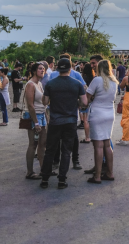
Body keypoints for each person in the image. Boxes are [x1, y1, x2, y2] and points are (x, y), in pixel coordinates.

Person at [40, 58, 87, 189]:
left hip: (55, 121)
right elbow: (84, 102)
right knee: (66, 151)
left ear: (58, 69)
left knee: (50, 150)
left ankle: (44, 179)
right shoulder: (77, 83)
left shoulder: (51, 83)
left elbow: (45, 102)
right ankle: (62, 180)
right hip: (70, 121)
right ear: (70, 69)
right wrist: (74, 102)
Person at [48, 53, 86, 170]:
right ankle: (75, 160)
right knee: (73, 137)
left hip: (55, 111)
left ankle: (56, 161)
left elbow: (47, 92)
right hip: (71, 112)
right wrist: (77, 102)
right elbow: (84, 90)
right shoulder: (76, 75)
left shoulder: (53, 75)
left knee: (56, 139)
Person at [86, 59, 117, 184]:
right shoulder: (114, 82)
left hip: (97, 114)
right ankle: (109, 173)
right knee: (107, 145)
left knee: (98, 146)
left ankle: (97, 175)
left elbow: (87, 98)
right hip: (110, 113)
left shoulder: (97, 80)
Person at [24, 62, 47, 180]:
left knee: (42, 144)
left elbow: (43, 102)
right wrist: (36, 122)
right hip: (34, 116)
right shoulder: (31, 85)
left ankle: (43, 169)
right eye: (40, 69)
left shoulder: (40, 84)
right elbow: (30, 105)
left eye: (43, 69)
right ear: (34, 71)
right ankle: (30, 172)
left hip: (42, 115)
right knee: (33, 144)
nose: (42, 71)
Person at [79, 62, 94, 143]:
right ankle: (92, 135)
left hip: (85, 99)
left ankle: (87, 137)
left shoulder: (84, 78)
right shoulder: (93, 78)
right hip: (92, 99)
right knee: (90, 119)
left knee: (85, 119)